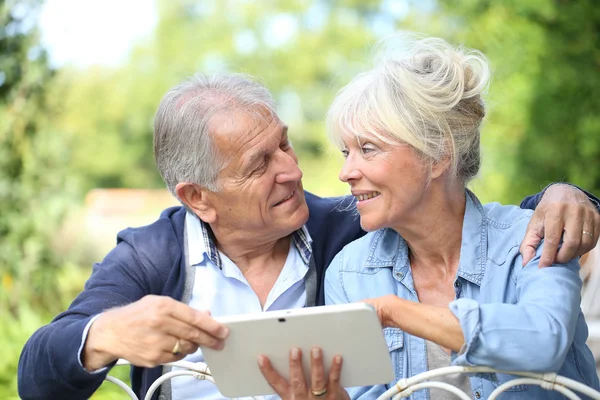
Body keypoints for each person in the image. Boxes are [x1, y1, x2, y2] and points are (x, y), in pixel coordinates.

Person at [17, 70, 600, 400]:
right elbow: (36, 377)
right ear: (197, 198)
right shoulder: (151, 255)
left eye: (285, 144)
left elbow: (447, 209)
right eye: (258, 164)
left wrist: (564, 196)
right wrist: (104, 334)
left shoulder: (341, 231)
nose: (292, 170)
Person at [316, 33, 600, 399]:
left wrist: (394, 311)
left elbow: (542, 341)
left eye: (368, 149)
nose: (346, 173)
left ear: (437, 155)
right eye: (345, 152)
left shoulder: (529, 238)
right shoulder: (349, 272)